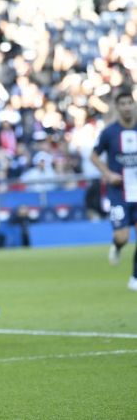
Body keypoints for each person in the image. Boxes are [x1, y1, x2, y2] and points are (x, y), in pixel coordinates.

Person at [90, 87, 137, 291]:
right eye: (123, 104)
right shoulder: (110, 132)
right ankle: (117, 246)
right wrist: (108, 174)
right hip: (119, 192)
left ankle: (134, 278)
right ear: (117, 108)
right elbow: (93, 156)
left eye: (130, 103)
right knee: (123, 236)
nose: (127, 107)